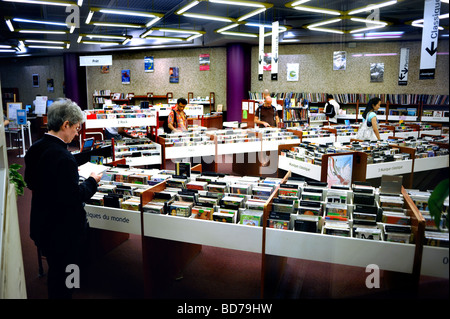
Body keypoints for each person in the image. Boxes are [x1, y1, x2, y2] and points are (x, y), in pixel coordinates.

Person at [24, 98, 103, 299]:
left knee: (56, 273)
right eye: (76, 128)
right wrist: (92, 181)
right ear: (65, 124)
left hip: (43, 225)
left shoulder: (35, 148)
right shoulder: (63, 157)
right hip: (66, 233)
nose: (77, 133)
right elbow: (74, 197)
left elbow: (31, 181)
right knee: (70, 273)